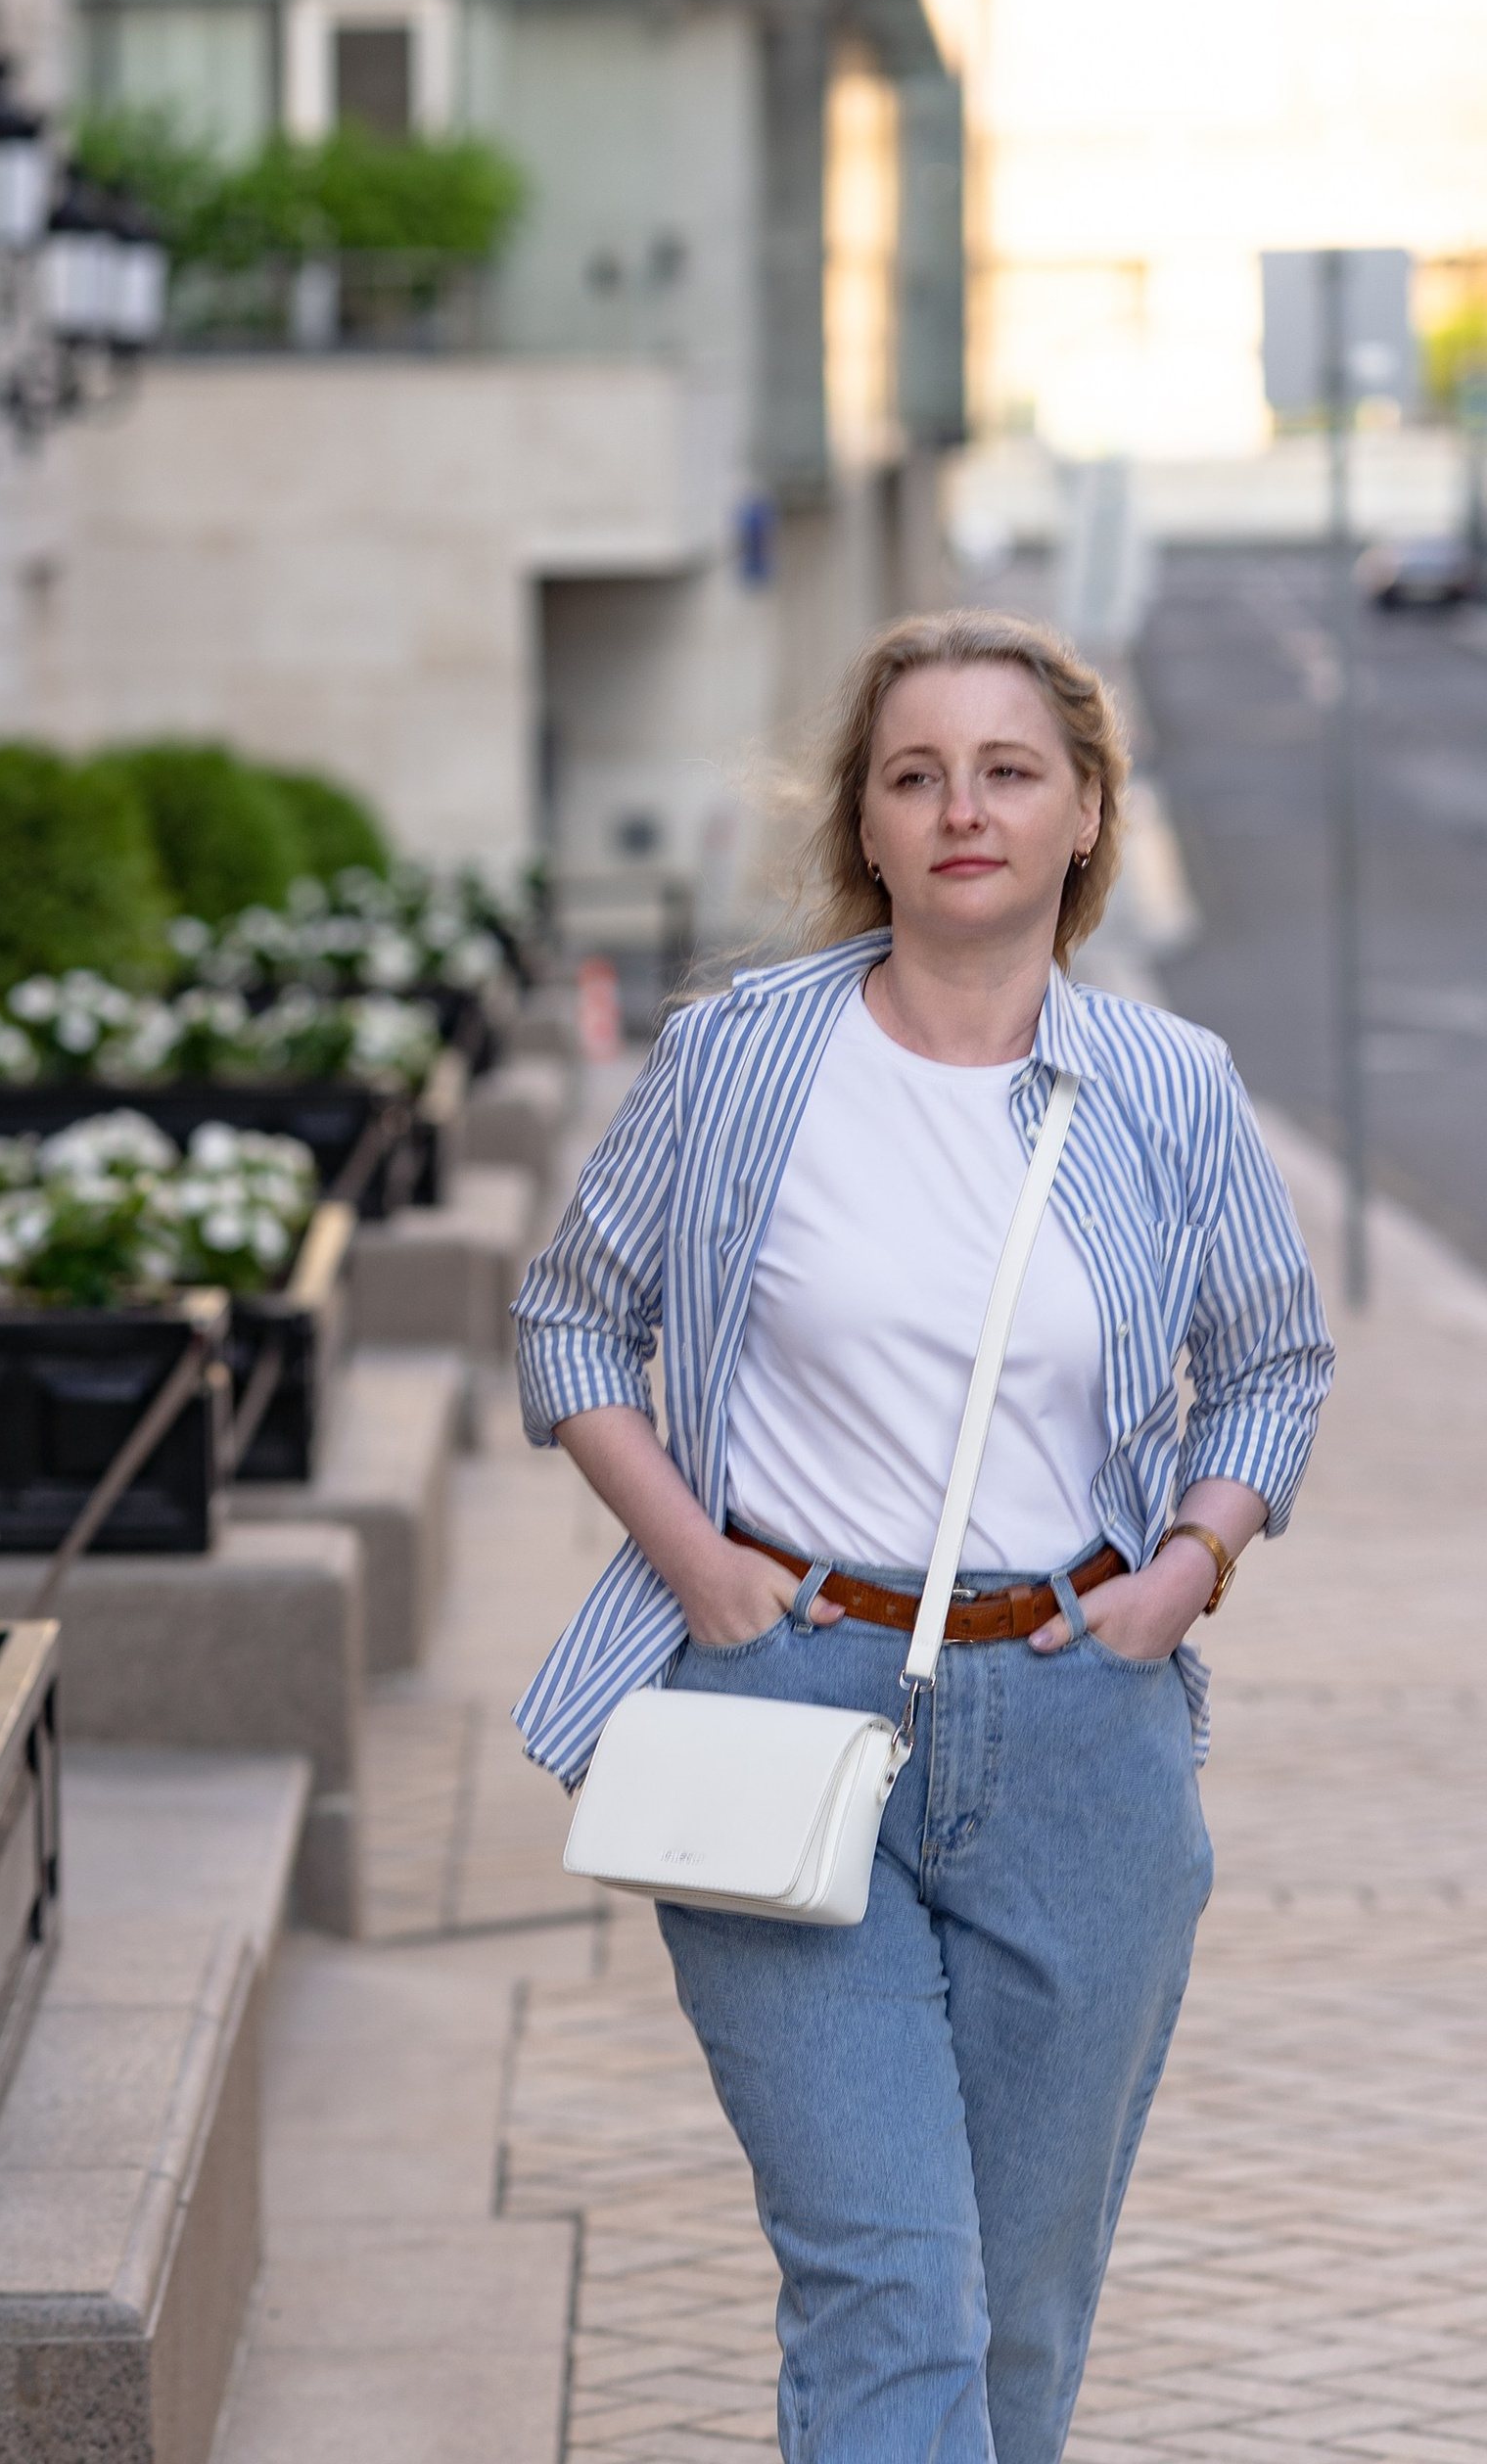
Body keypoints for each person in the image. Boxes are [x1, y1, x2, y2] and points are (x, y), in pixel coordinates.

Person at [511, 610, 1333, 2464]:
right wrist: (698, 1563)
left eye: (1009, 770)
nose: (963, 807)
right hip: (778, 1692)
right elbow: (571, 1319)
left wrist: (1186, 1569)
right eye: (916, 774)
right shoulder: (736, 1057)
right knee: (892, 2284)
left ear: (1083, 816)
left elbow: (1274, 1365)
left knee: (1017, 2310)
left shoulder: (1171, 1087)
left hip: (1076, 1726)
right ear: (866, 831)